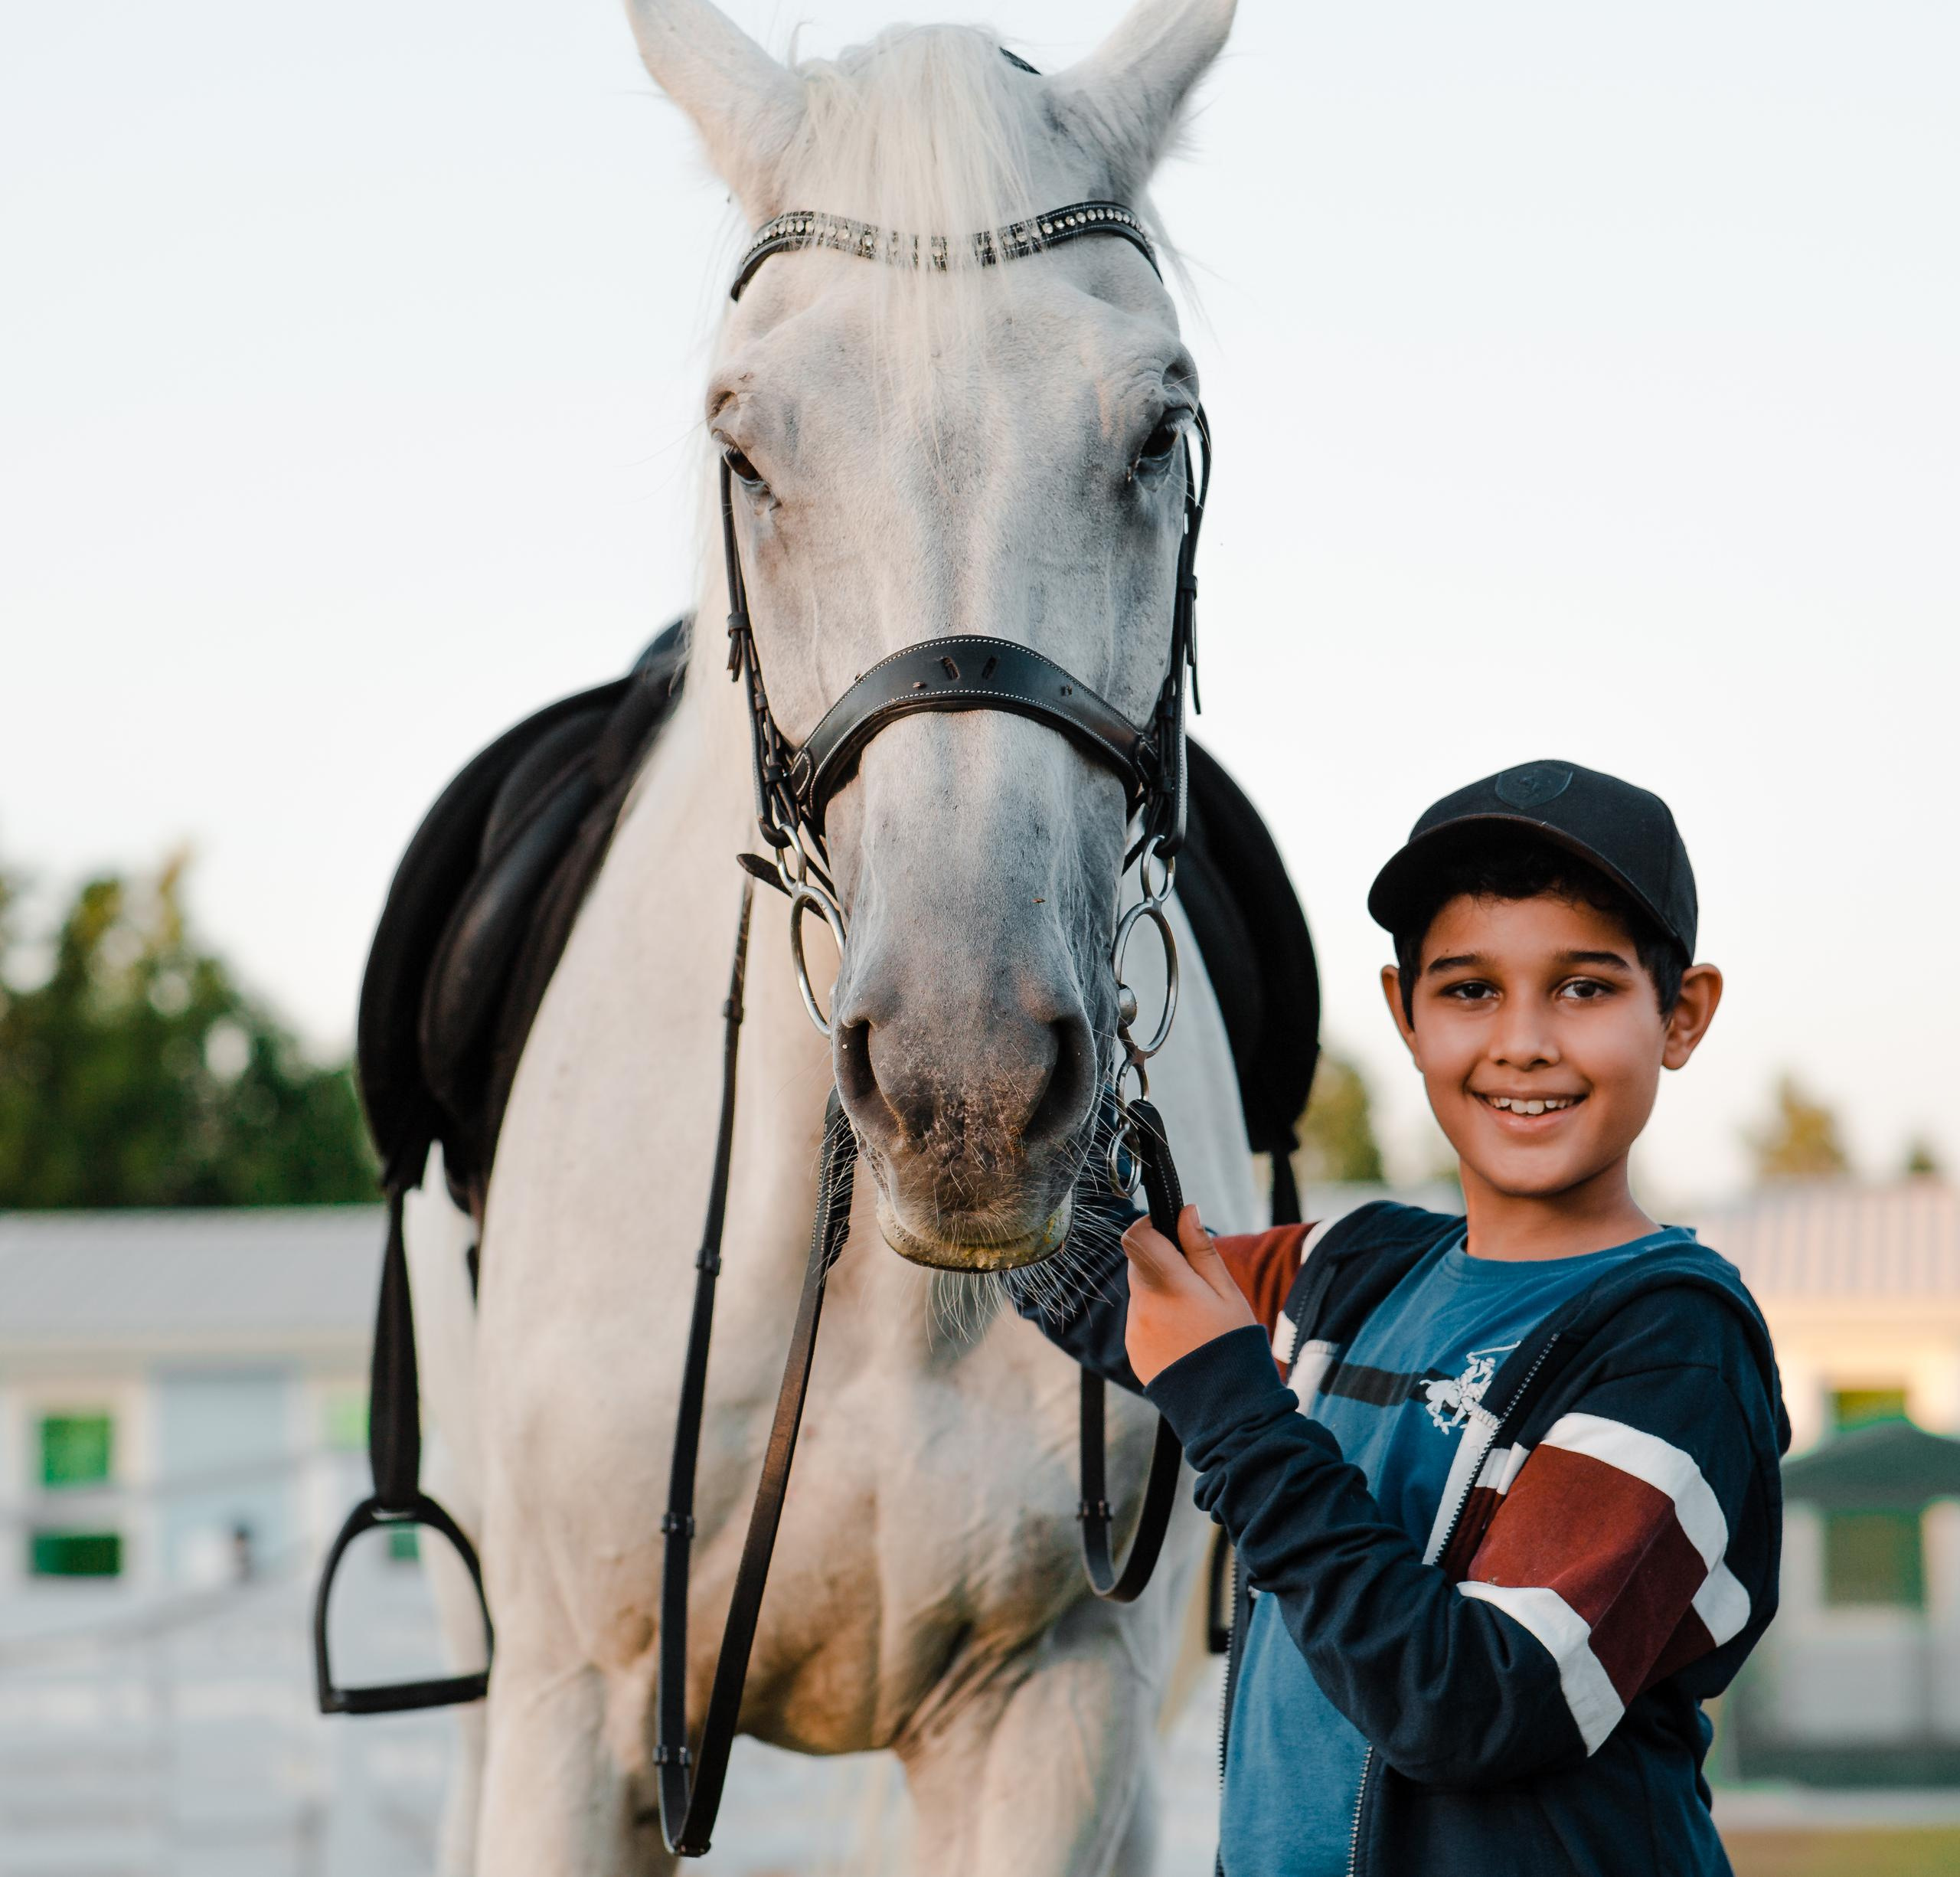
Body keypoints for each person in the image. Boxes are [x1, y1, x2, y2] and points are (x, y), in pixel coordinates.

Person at [1014, 759, 1788, 1877]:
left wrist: (1234, 1409)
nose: (1523, 1041)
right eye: (1470, 990)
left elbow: (1469, 1703)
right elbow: (1097, 1276)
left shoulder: (1677, 1346)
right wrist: (971, 1108)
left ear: (1682, 1013)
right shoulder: (1358, 1268)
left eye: (1584, 987)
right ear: (1406, 1016)